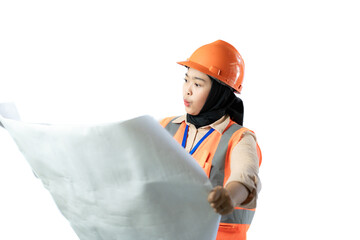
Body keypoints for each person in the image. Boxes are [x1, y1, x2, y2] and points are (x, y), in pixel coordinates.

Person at [160, 40, 262, 240]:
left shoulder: (239, 138)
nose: (187, 90)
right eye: (186, 79)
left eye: (198, 84)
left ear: (219, 92)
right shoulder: (165, 127)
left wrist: (229, 196)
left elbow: (246, 179)